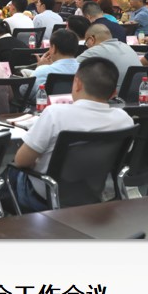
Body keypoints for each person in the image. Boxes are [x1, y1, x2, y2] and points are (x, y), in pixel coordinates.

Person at [8, 57, 135, 213]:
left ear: (77, 83)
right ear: (114, 93)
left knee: (10, 171)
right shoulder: (124, 120)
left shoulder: (55, 114)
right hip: (92, 195)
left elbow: (21, 161)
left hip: (46, 197)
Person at [76, 22, 142, 94]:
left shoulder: (96, 50)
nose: (87, 45)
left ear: (92, 39)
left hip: (116, 96)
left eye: (86, 42)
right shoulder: (126, 46)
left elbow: (71, 67)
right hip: (141, 93)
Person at [28, 28, 80, 92]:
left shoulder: (42, 70)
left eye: (50, 47)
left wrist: (39, 67)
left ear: (54, 48)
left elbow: (24, 91)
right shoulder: (85, 70)